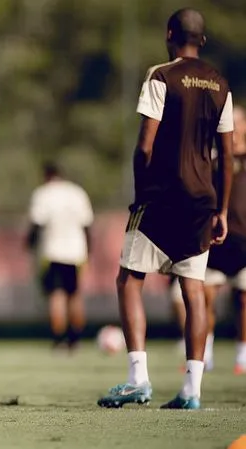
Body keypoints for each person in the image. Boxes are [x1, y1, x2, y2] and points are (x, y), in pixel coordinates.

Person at [98, 8, 233, 410]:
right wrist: (221, 210)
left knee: (129, 280)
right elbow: (226, 156)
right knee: (193, 289)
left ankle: (138, 378)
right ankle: (192, 390)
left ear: (169, 34)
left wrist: (143, 192)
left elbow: (144, 145)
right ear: (203, 41)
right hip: (202, 200)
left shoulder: (161, 76)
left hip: (161, 196)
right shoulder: (220, 84)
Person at [26, 163, 93, 352]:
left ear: (46, 176)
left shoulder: (43, 194)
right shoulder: (77, 193)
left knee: (56, 296)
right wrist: (89, 253)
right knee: (75, 295)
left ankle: (59, 339)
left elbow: (37, 224)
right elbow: (87, 226)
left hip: (53, 251)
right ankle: (76, 339)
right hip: (77, 252)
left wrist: (29, 244)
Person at [204, 104, 246, 374]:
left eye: (238, 122)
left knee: (244, 299)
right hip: (216, 242)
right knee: (203, 296)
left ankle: (242, 355)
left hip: (244, 241)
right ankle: (203, 354)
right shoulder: (212, 160)